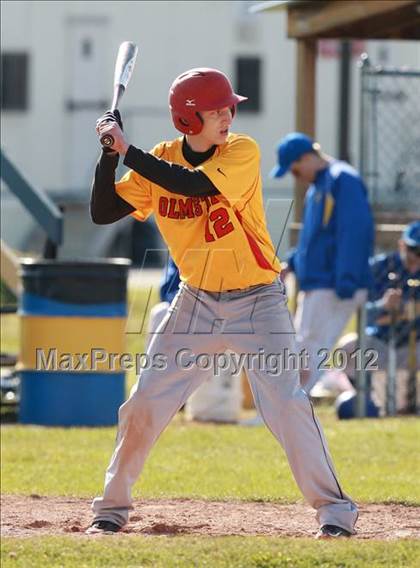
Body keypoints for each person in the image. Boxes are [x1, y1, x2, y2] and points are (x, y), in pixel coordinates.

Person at [87, 69, 358, 538]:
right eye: (215, 111)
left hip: (258, 301)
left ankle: (336, 514)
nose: (227, 116)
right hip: (195, 302)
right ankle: (110, 509)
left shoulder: (241, 151)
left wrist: (128, 150)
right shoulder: (160, 159)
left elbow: (194, 185)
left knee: (288, 404)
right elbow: (103, 211)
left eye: (228, 107)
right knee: (144, 402)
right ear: (186, 119)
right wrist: (109, 156)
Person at [270, 132, 374, 394]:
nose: (296, 177)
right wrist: (292, 263)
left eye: (295, 170)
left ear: (307, 157)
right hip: (319, 282)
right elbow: (314, 238)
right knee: (304, 348)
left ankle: (290, 406)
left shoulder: (342, 180)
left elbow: (354, 232)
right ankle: (289, 405)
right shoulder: (318, 187)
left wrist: (347, 279)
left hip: (333, 284)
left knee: (309, 350)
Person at [339, 221, 420, 413]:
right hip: (381, 341)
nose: (418, 257)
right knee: (347, 348)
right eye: (415, 250)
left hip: (416, 344)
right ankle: (367, 401)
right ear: (402, 245)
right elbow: (361, 313)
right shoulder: (379, 267)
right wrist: (382, 305)